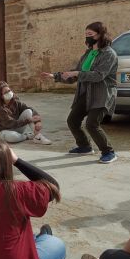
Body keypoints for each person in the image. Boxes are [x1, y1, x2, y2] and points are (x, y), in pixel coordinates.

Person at [42, 21, 118, 164]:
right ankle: (84, 147)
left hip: (102, 94)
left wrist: (77, 72)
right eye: (86, 34)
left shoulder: (109, 54)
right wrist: (56, 76)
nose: (87, 37)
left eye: (90, 34)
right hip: (86, 92)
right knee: (73, 120)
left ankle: (109, 152)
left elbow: (98, 75)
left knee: (92, 124)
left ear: (100, 35)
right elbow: (76, 74)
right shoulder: (88, 53)